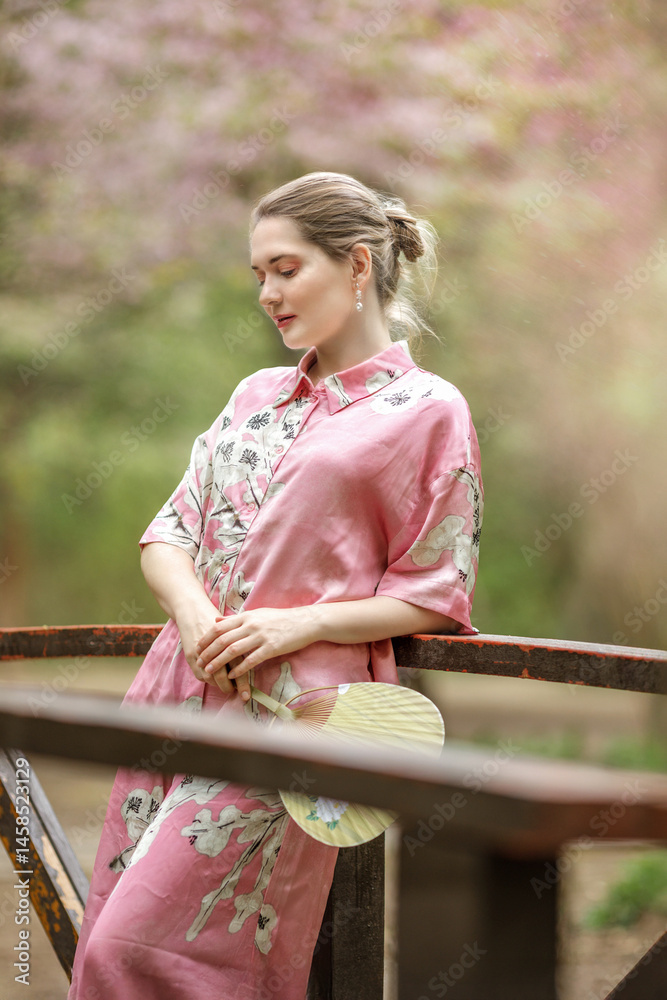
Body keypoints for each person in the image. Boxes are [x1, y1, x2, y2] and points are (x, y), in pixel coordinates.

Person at [67, 170, 483, 1000]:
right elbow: (170, 531)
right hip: (175, 693)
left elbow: (436, 588)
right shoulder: (255, 395)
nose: (267, 292)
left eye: (285, 269)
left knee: (145, 953)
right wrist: (191, 614)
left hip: (291, 718)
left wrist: (293, 627)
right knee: (106, 940)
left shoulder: (427, 409)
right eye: (259, 273)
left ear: (357, 266)